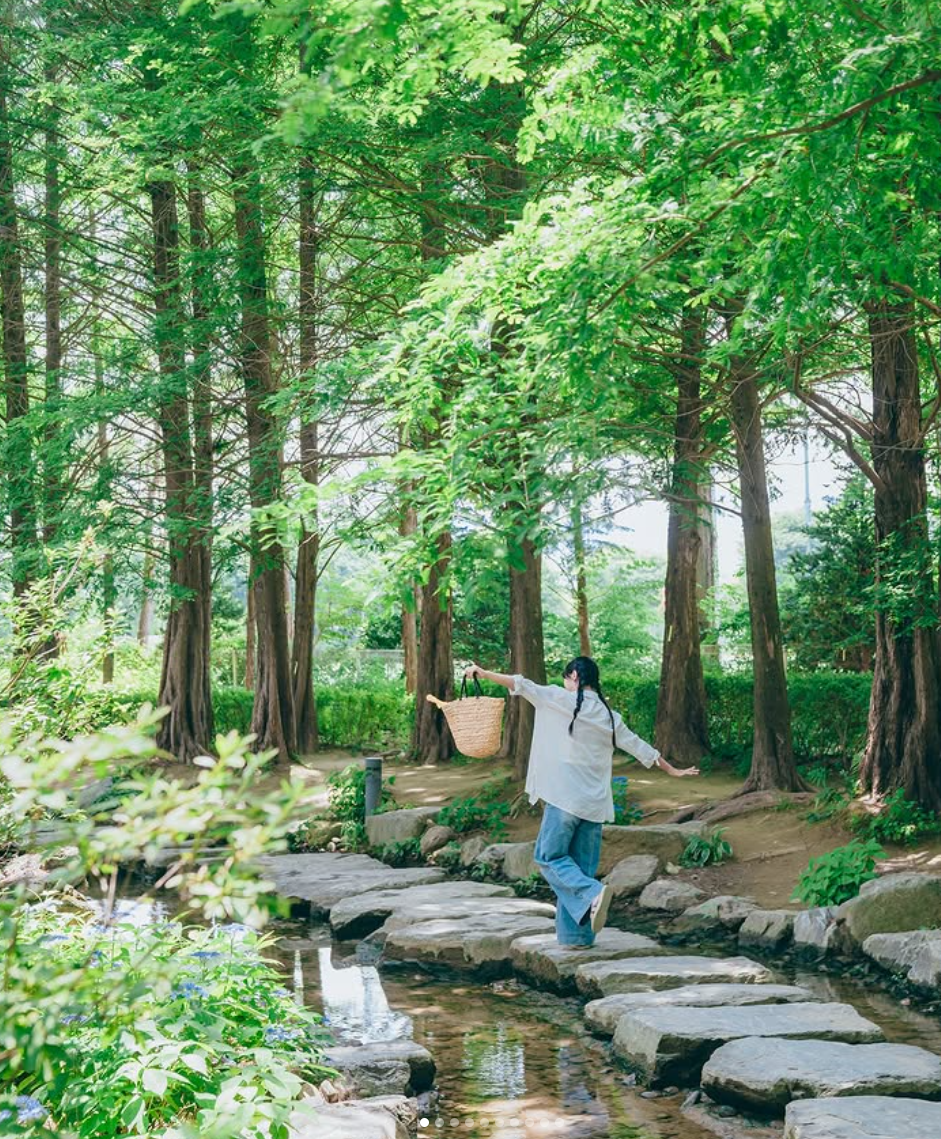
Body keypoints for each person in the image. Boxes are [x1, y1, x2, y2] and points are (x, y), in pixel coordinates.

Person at [464, 656, 699, 949]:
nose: (564, 681)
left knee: (549, 858)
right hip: (594, 805)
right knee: (577, 869)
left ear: (574, 675)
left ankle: (592, 893)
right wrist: (672, 769)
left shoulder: (557, 698)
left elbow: (520, 684)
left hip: (564, 799)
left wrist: (482, 672)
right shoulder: (610, 716)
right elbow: (639, 746)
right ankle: (577, 938)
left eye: (566, 677)